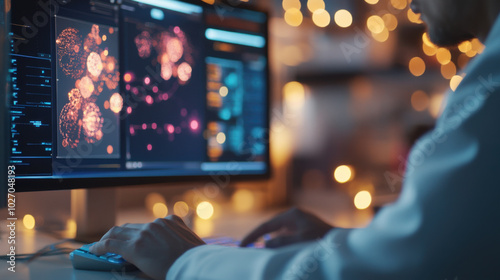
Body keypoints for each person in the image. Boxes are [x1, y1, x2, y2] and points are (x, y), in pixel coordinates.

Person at [90, 0, 500, 279]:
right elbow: (439, 247)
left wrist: (188, 261)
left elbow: (402, 265)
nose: (408, 4)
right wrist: (344, 242)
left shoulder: (490, 93)